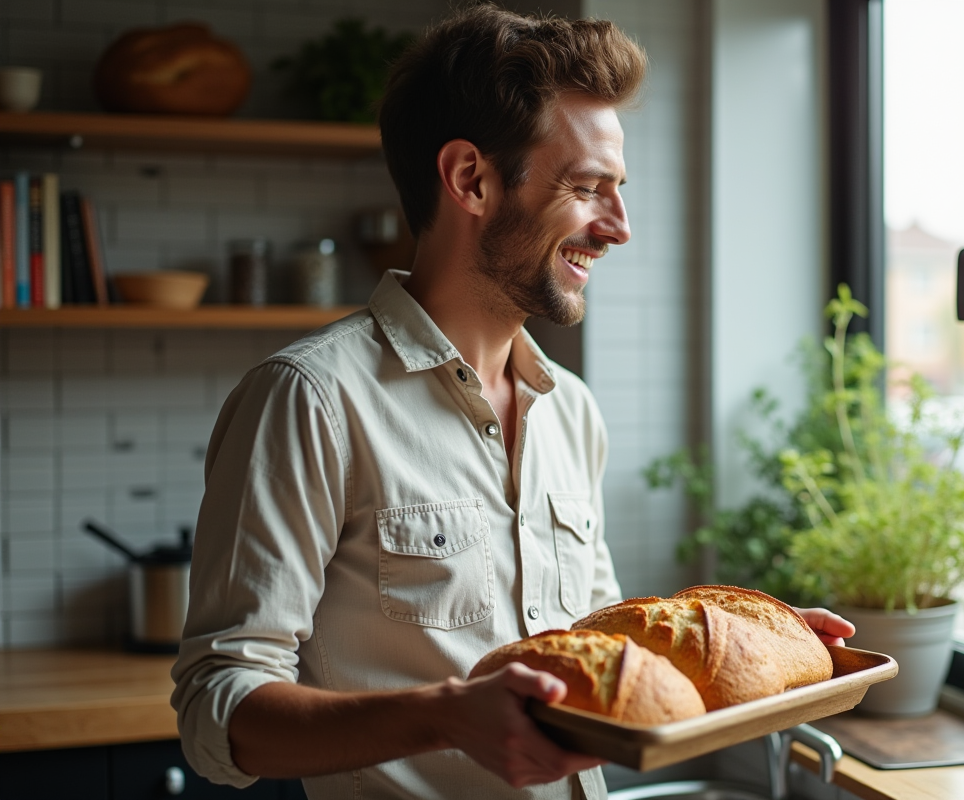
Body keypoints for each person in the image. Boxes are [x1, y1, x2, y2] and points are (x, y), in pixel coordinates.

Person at [171, 6, 854, 800]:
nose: (620, 228)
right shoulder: (311, 400)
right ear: (471, 179)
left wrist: (757, 644)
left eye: (619, 191)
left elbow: (594, 650)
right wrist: (445, 717)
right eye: (589, 189)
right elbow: (219, 713)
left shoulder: (571, 411)